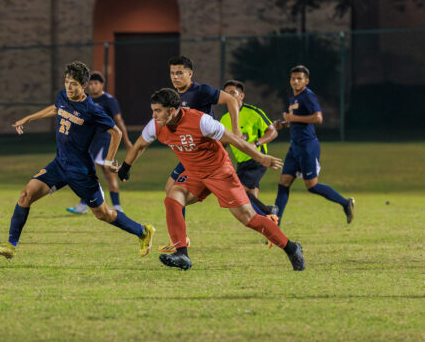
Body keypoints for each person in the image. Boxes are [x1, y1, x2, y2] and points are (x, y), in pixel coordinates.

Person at [118, 88, 305, 271]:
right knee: (173, 197)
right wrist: (126, 167)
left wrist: (261, 157)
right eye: (153, 110)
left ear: (172, 110)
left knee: (249, 218)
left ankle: (292, 248)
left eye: (157, 111)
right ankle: (182, 254)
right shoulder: (156, 125)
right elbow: (140, 144)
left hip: (219, 172)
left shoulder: (201, 121)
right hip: (195, 174)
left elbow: (234, 140)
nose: (154, 115)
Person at [0, 61, 154, 260]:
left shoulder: (91, 110)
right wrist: (28, 119)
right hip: (59, 164)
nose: (69, 86)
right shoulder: (62, 96)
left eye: (74, 83)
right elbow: (55, 108)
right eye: (67, 81)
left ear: (83, 86)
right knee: (26, 195)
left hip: (81, 171)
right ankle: (10, 247)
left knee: (103, 214)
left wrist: (110, 160)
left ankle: (143, 231)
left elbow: (116, 132)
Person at [158, 55, 242, 254]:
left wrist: (236, 132)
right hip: (190, 154)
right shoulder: (174, 96)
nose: (175, 77)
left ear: (190, 73)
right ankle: (180, 240)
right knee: (171, 189)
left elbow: (230, 100)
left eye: (180, 73)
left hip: (205, 154)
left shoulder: (201, 90)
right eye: (172, 73)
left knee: (235, 203)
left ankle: (181, 240)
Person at [273, 65, 354, 225]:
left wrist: (293, 119)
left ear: (306, 81)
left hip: (307, 147)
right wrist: (284, 124)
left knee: (312, 186)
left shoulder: (308, 96)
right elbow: (296, 120)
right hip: (294, 147)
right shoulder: (294, 98)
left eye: (299, 79)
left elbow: (318, 118)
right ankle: (275, 224)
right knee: (283, 183)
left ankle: (345, 203)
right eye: (293, 78)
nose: (295, 81)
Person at [66, 71, 133, 214]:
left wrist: (126, 141)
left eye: (96, 83)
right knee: (87, 171)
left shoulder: (109, 101)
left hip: (105, 141)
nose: (93, 86)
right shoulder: (86, 100)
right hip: (90, 141)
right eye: (90, 83)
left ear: (102, 85)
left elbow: (119, 121)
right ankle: (84, 204)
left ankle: (116, 206)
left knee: (107, 172)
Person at [219, 80, 279, 217]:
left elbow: (273, 132)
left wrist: (256, 144)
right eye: (226, 94)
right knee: (250, 204)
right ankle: (269, 221)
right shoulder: (224, 119)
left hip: (257, 160)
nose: (229, 96)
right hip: (241, 163)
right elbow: (223, 144)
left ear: (241, 96)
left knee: (237, 192)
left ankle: (269, 211)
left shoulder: (253, 112)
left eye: (232, 93)